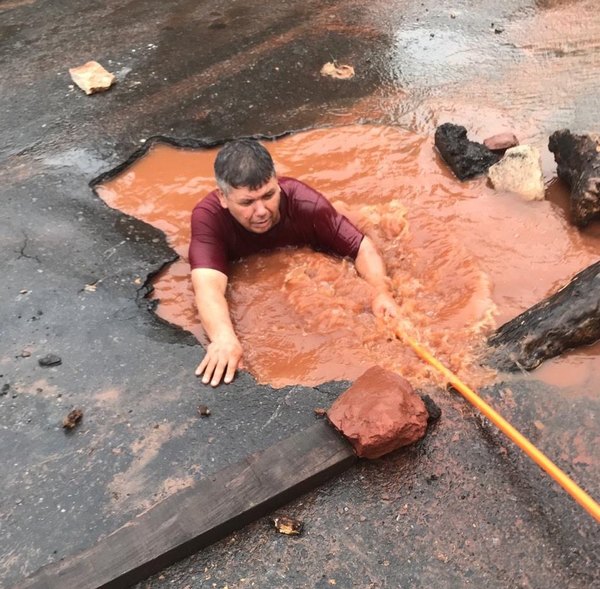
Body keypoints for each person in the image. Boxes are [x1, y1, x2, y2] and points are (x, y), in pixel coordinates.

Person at [189, 138, 399, 386]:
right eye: (247, 202)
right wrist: (223, 338)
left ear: (277, 184)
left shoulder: (305, 204)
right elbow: (208, 287)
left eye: (268, 195)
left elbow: (363, 248)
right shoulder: (208, 217)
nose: (261, 211)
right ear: (223, 198)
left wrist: (380, 292)